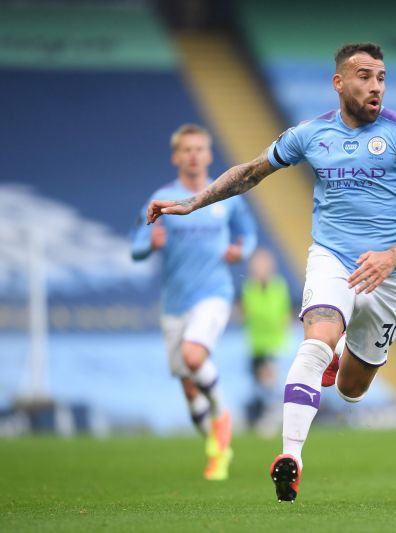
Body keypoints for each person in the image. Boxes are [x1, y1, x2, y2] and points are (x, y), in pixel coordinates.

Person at [146, 42, 396, 502]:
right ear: (339, 82)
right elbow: (251, 172)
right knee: (314, 343)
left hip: (390, 271)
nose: (375, 86)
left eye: (381, 77)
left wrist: (391, 255)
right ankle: (292, 457)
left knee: (351, 389)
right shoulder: (311, 134)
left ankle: (341, 351)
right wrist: (194, 201)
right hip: (333, 258)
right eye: (364, 76)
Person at [130, 124, 256, 480]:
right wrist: (149, 245)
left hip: (214, 293)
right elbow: (136, 244)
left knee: (193, 357)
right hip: (174, 303)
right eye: (187, 149)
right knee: (187, 384)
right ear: (176, 156)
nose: (194, 155)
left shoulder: (224, 196)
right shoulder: (162, 198)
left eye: (199, 149)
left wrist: (240, 250)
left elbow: (248, 235)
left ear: (209, 154)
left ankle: (223, 413)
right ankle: (217, 448)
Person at [241, 247, 292, 433]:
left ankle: (273, 420)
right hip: (255, 345)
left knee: (271, 384)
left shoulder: (279, 286)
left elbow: (280, 314)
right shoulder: (249, 287)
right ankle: (270, 417)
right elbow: (248, 314)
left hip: (274, 344)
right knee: (261, 388)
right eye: (257, 265)